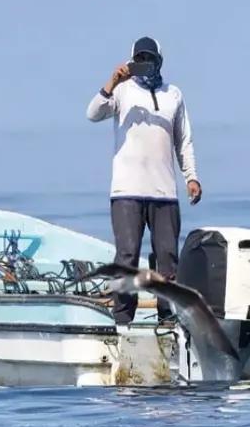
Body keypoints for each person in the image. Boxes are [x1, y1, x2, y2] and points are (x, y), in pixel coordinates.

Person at [86, 36, 202, 326]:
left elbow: (183, 140)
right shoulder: (122, 92)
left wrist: (191, 177)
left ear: (159, 61)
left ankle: (167, 318)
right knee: (127, 258)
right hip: (127, 191)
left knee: (168, 259)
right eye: (139, 60)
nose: (144, 65)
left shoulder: (173, 94)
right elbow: (92, 113)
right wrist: (111, 82)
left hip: (164, 192)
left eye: (149, 60)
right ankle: (123, 321)